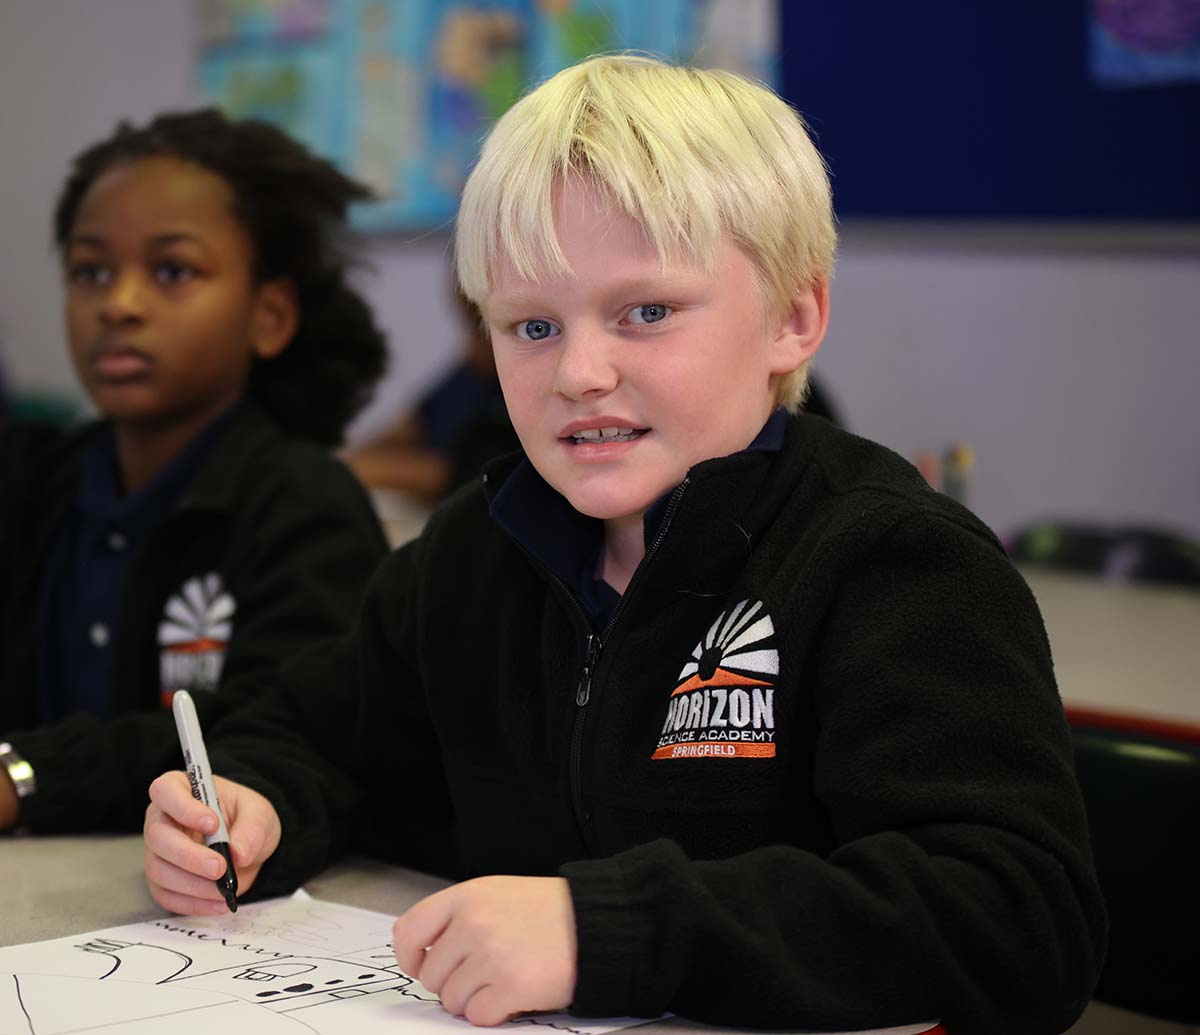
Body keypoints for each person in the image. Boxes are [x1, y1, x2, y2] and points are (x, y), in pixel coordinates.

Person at [142, 57, 1106, 1035]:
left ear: (794, 317)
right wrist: (255, 809)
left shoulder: (893, 563)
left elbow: (1017, 918)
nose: (580, 371)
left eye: (645, 312)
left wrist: (602, 931)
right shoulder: (472, 554)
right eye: (531, 325)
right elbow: (318, 736)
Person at [0, 109, 391, 834]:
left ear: (268, 315)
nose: (118, 304)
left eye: (172, 270)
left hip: (197, 899)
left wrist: (25, 772)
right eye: (91, 271)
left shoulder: (304, 503)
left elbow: (273, 723)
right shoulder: (29, 483)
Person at [346, 287, 520, 504]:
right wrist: (348, 460)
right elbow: (409, 428)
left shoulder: (514, 384)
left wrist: (355, 470)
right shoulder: (470, 368)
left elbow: (461, 476)